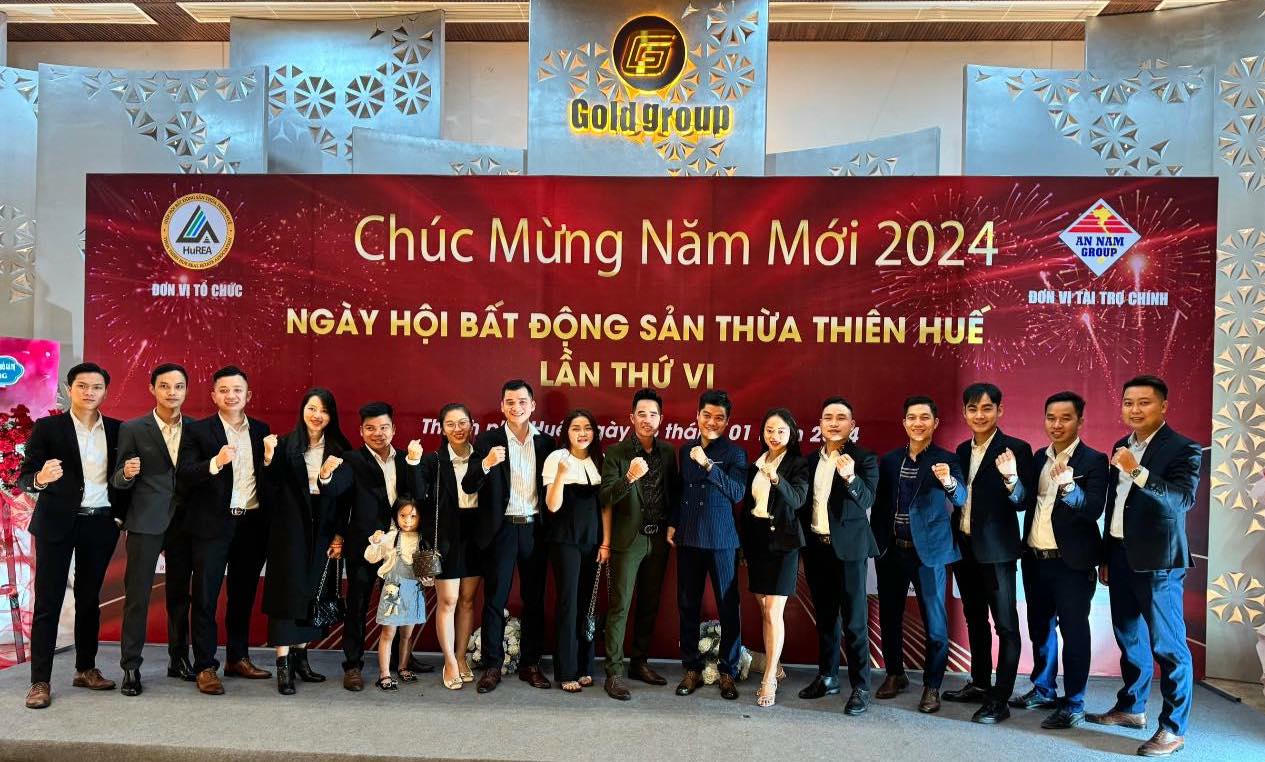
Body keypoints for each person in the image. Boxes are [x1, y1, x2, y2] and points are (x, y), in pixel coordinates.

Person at [1087, 375, 1202, 758]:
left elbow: (1182, 500)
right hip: (1120, 556)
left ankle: (1173, 728)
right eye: (1129, 403)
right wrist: (1106, 555)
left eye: (1144, 402)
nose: (1134, 409)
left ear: (1163, 406)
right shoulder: (1121, 446)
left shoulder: (1184, 448)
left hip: (1159, 563)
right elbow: (1115, 505)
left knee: (1168, 645)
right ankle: (1132, 708)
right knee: (1129, 637)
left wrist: (1137, 471)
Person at [20, 362, 128, 709]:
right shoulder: (48, 428)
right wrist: (41, 479)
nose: (89, 392)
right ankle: (40, 680)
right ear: (69, 389)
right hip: (56, 523)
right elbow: (24, 476)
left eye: (96, 387)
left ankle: (85, 668)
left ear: (105, 391)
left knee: (89, 599)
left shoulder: (118, 430)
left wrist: (119, 517)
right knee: (48, 602)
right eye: (82, 386)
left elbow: (125, 479)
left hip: (100, 523)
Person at [1010, 390, 1108, 730]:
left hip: (1073, 564)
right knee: (1040, 628)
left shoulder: (1094, 460)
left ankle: (1074, 702)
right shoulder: (1039, 457)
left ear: (1080, 421)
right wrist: (1011, 480)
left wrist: (1068, 487)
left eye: (1066, 418)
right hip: (1036, 559)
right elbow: (1024, 502)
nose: (1057, 424)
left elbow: (1092, 508)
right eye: (1051, 418)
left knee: (1075, 632)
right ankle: (1044, 689)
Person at [178, 365, 274, 695]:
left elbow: (268, 479)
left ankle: (238, 657)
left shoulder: (261, 430)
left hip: (251, 523)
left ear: (248, 395)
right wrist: (215, 463)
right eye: (224, 390)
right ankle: (205, 666)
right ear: (214, 395)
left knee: (242, 596)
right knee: (205, 596)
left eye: (237, 390)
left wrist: (269, 461)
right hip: (212, 525)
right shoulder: (198, 431)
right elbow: (184, 474)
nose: (231, 395)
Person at [943, 383, 1032, 724]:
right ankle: (980, 683)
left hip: (997, 553)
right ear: (965, 412)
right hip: (964, 548)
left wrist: (1011, 479)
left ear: (999, 410)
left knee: (1006, 626)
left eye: (986, 408)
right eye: (973, 409)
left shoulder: (1016, 449)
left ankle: (1000, 698)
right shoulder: (961, 450)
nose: (979, 415)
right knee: (975, 619)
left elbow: (1022, 501)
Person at [871, 395, 966, 714]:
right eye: (912, 417)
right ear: (904, 423)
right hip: (892, 551)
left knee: (935, 623)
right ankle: (894, 674)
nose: (918, 423)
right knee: (889, 617)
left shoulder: (947, 459)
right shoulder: (889, 460)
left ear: (935, 423)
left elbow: (961, 497)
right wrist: (878, 545)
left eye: (924, 417)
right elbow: (881, 505)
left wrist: (948, 481)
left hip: (929, 553)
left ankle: (932, 685)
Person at [324, 401, 425, 691]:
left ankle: (401, 659)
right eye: (370, 428)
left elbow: (420, 495)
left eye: (383, 427)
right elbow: (336, 495)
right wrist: (326, 476)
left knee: (402, 603)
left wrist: (415, 464)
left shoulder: (406, 458)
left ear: (393, 429)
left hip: (401, 548)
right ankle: (353, 665)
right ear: (361, 431)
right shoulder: (351, 460)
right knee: (358, 605)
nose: (377, 433)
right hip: (366, 546)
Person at [462, 379, 555, 693]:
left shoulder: (546, 443)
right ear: (502, 406)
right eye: (510, 402)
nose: (517, 407)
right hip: (501, 530)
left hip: (534, 529)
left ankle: (530, 664)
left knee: (534, 600)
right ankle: (492, 665)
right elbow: (469, 484)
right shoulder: (488, 440)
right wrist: (487, 463)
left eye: (522, 402)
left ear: (532, 406)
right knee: (495, 600)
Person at [261, 388, 354, 695]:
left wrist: (340, 533)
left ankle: (301, 659)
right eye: (312, 408)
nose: (317, 415)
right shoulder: (284, 444)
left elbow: (345, 497)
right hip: (288, 531)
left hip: (323, 530)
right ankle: (283, 666)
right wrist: (269, 458)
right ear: (302, 410)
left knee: (314, 593)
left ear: (331, 416)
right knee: (287, 596)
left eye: (324, 410)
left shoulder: (340, 448)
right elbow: (269, 490)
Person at [112, 363, 195, 696]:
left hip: (185, 523)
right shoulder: (133, 428)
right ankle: (131, 667)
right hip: (145, 520)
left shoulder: (198, 428)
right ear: (152, 389)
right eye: (164, 386)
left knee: (180, 596)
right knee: (137, 596)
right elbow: (117, 479)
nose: (172, 392)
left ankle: (179, 659)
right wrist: (127, 473)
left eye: (178, 386)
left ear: (186, 390)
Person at [797, 396, 879, 716]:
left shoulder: (865, 458)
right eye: (828, 417)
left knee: (855, 621)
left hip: (849, 551)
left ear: (852, 425)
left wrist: (851, 477)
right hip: (817, 549)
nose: (834, 423)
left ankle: (861, 687)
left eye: (841, 418)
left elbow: (867, 499)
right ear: (820, 424)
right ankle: (828, 677)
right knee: (826, 618)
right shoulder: (808, 461)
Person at [600, 388, 678, 700]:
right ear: (631, 418)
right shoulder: (616, 453)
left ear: (661, 419)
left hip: (658, 539)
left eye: (653, 414)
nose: (647, 419)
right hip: (628, 541)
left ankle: (639, 663)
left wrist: (672, 524)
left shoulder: (668, 453)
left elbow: (674, 493)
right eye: (641, 414)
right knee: (620, 606)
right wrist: (629, 478)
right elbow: (605, 497)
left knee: (649, 604)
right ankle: (614, 673)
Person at [670, 389, 747, 700]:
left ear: (727, 422)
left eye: (719, 418)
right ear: (697, 416)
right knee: (687, 604)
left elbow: (737, 492)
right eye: (706, 415)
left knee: (728, 607)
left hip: (722, 540)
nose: (711, 422)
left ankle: (728, 671)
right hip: (688, 538)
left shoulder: (735, 454)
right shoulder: (685, 449)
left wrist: (709, 466)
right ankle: (692, 668)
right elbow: (679, 491)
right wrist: (673, 522)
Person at [739, 408, 810, 708]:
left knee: (772, 610)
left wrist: (777, 478)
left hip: (784, 543)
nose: (775, 436)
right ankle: (775, 664)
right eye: (769, 430)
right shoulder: (755, 462)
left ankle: (769, 677)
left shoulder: (798, 464)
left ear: (791, 434)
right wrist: (744, 546)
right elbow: (748, 506)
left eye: (781, 431)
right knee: (763, 609)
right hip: (757, 542)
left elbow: (798, 500)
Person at [419, 402, 482, 690]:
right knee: (448, 601)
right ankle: (449, 661)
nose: (458, 429)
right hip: (445, 535)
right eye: (451, 424)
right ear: (442, 429)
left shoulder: (482, 457)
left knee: (468, 600)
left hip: (475, 534)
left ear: (472, 425)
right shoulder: (433, 461)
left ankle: (461, 655)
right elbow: (419, 498)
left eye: (463, 423)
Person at [543, 409, 604, 693]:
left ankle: (585, 666)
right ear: (566, 432)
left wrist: (604, 542)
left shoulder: (600, 460)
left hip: (592, 542)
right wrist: (560, 475)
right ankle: (566, 670)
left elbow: (605, 506)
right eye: (576, 428)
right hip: (565, 540)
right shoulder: (557, 458)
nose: (582, 433)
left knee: (588, 604)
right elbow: (552, 505)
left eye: (587, 427)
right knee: (569, 603)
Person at [364, 497, 429, 691]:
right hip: (393, 590)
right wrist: (375, 542)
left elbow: (430, 572)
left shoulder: (424, 540)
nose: (407, 521)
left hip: (414, 591)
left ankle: (403, 667)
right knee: (388, 633)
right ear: (396, 516)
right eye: (403, 515)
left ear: (420, 517)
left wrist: (429, 580)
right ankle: (384, 674)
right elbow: (370, 557)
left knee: (407, 635)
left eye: (413, 516)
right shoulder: (391, 537)